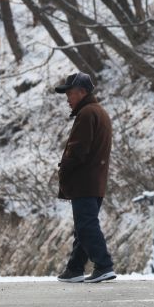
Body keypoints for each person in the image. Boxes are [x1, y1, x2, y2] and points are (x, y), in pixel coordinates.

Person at [54, 72, 116, 283]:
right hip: (95, 180)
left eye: (70, 94)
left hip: (84, 180)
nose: (68, 99)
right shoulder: (98, 111)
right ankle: (75, 268)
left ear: (81, 92)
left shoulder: (87, 113)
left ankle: (104, 265)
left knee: (86, 225)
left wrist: (64, 170)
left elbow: (78, 150)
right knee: (84, 225)